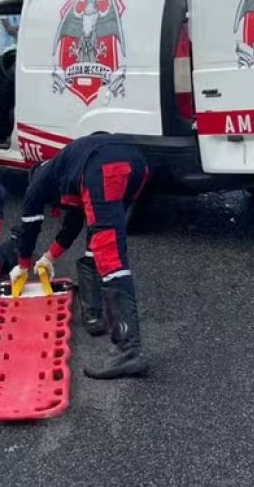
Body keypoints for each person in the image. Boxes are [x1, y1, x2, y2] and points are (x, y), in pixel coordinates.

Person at [11, 134, 151, 379]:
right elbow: (75, 222)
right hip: (136, 164)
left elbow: (30, 226)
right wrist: (48, 257)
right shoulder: (67, 168)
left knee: (109, 255)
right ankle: (96, 317)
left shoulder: (39, 181)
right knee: (103, 241)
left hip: (104, 168)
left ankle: (130, 352)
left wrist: (23, 266)